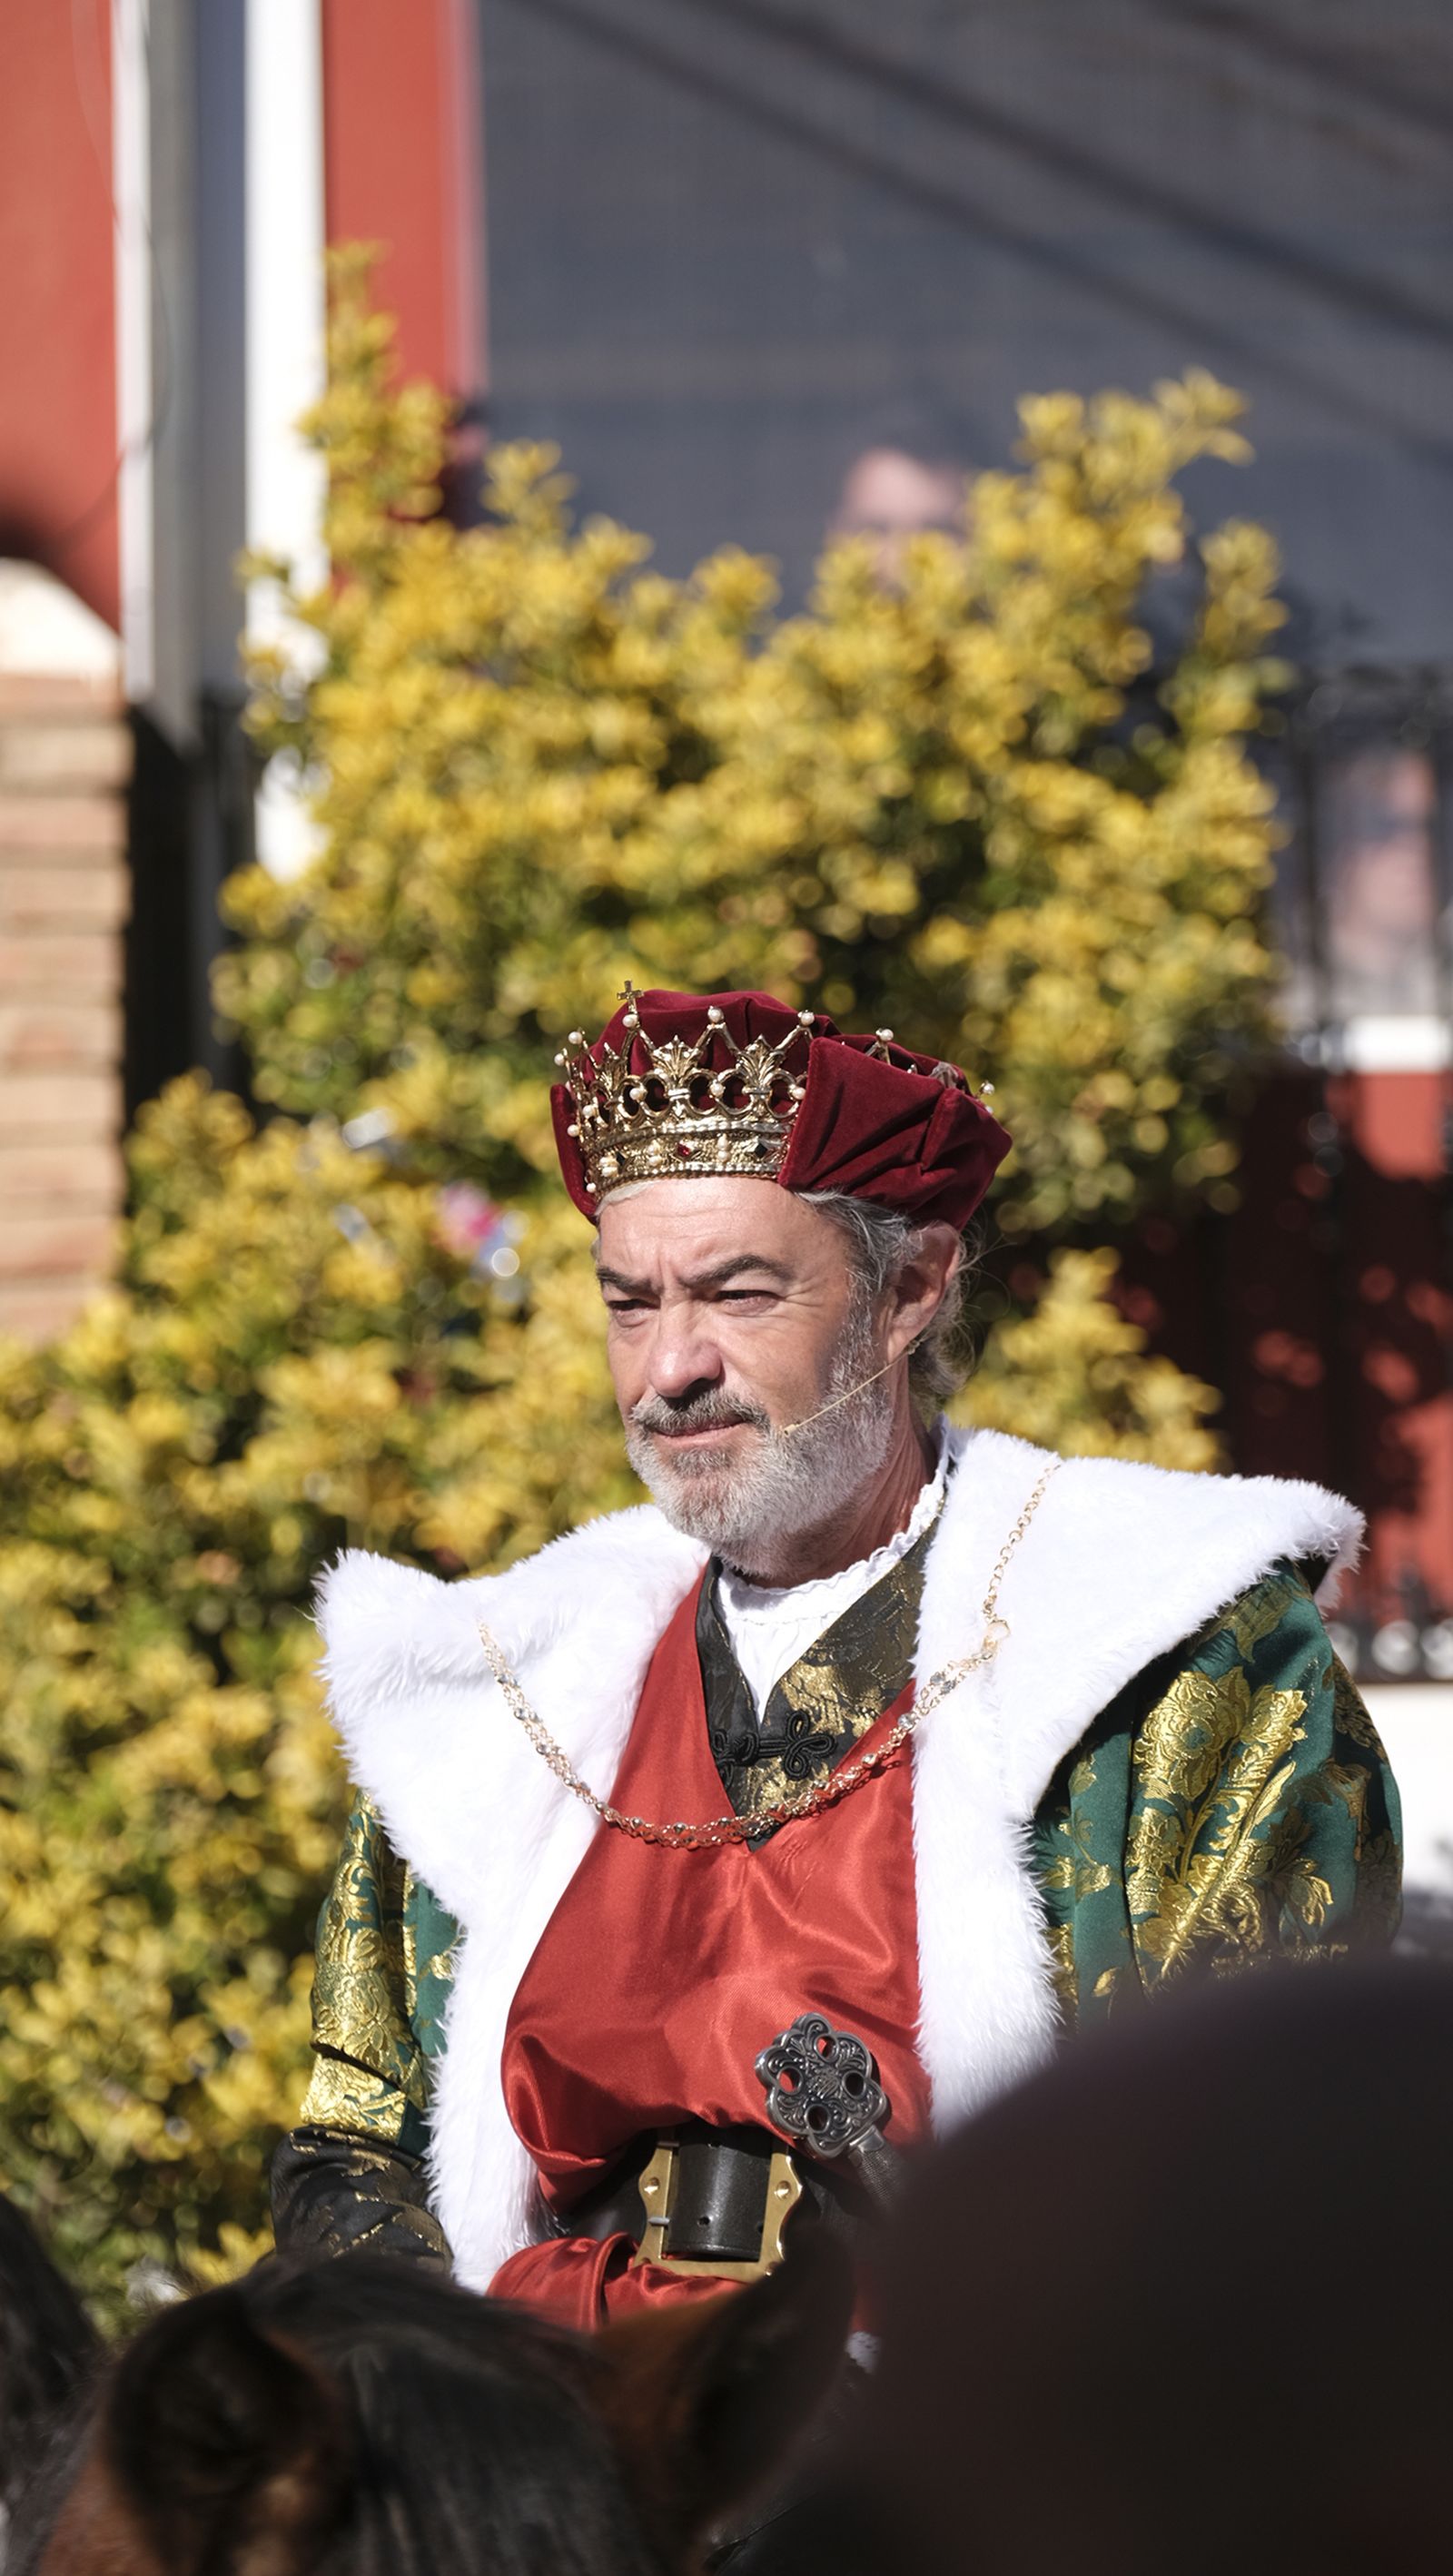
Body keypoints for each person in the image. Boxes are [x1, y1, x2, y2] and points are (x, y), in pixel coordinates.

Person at [272, 987, 1400, 2321]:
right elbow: (354, 2145)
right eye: (629, 1304)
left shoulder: (1174, 1657)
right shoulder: (505, 1693)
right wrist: (477, 2398)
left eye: (738, 1294)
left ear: (909, 1291)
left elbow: (1250, 2172)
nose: (668, 1369)